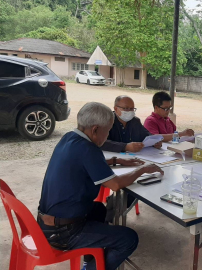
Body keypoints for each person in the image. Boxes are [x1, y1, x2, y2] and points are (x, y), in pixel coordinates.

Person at [37, 102, 164, 270]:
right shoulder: (89, 149)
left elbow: (84, 163)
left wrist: (116, 160)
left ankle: (91, 261)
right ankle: (96, 268)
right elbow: (115, 184)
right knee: (128, 238)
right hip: (63, 233)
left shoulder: (69, 138)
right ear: (95, 129)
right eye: (108, 130)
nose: (108, 134)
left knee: (98, 209)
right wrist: (143, 169)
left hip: (48, 222)